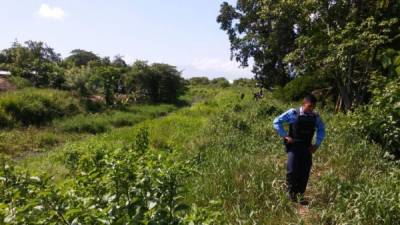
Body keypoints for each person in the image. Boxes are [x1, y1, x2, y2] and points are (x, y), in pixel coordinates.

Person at [273, 94, 325, 205]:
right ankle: (290, 195)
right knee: (292, 170)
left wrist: (317, 144)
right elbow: (276, 122)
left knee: (304, 171)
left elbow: (321, 129)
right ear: (304, 103)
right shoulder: (293, 113)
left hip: (307, 148)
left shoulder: (315, 116)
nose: (311, 109)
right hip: (294, 147)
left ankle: (300, 196)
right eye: (310, 106)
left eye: (313, 107)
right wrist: (285, 136)